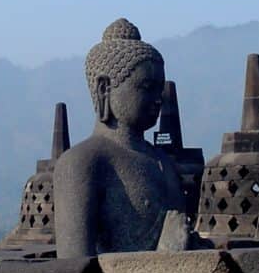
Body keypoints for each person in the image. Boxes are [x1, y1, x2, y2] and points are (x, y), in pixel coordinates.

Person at [54, 18, 187, 258]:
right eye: (146, 87)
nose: (158, 99)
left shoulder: (161, 162)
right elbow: (73, 270)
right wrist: (167, 253)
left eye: (160, 89)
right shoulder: (82, 163)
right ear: (104, 88)